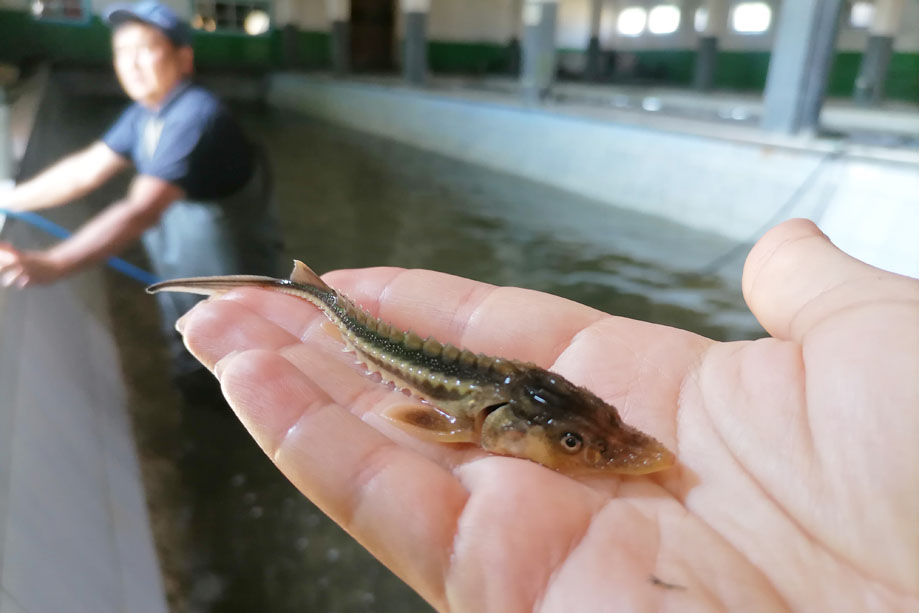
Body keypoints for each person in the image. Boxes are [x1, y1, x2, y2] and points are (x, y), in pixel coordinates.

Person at [172, 219, 917, 610]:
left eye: (591, 430)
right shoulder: (469, 416)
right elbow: (418, 416)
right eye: (571, 440)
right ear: (499, 425)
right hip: (382, 336)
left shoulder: (536, 403)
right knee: (313, 321)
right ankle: (298, 289)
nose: (612, 448)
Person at [0, 0, 283, 399]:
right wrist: (12, 200)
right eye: (121, 52)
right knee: (192, 343)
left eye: (146, 49)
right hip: (184, 270)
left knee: (245, 364)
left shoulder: (195, 115)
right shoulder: (145, 114)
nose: (131, 64)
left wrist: (52, 264)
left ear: (183, 59)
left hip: (231, 278)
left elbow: (139, 211)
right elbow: (85, 170)